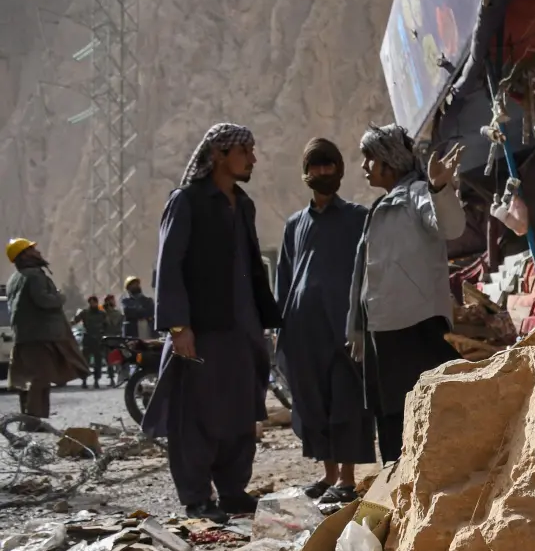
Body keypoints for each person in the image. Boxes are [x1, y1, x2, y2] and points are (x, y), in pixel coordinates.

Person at [144, 123, 282, 523]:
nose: (253, 159)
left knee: (240, 412)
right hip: (201, 329)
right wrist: (178, 327)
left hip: (243, 327)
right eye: (245, 152)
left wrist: (264, 320)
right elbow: (169, 266)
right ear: (220, 155)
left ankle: (233, 492)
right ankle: (197, 497)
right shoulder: (186, 201)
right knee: (197, 416)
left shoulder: (244, 204)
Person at [348, 124, 465, 464]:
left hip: (415, 328)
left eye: (369, 158)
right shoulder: (379, 208)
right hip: (381, 332)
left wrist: (440, 187)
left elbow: (451, 226)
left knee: (425, 417)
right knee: (390, 420)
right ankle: (396, 486)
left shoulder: (417, 195)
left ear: (389, 161)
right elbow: (364, 276)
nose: (364, 166)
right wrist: (357, 328)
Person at [276, 138, 375, 503]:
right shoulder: (295, 224)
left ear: (339, 169)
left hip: (345, 328)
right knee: (313, 402)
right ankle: (329, 475)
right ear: (306, 173)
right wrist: (280, 326)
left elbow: (369, 272)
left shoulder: (358, 218)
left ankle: (347, 479)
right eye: (315, 166)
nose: (322, 171)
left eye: (328, 165)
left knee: (346, 402)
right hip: (304, 330)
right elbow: (285, 278)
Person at [5, 238, 90, 420]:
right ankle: (33, 420)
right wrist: (60, 298)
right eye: (32, 250)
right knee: (41, 377)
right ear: (24, 255)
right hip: (40, 337)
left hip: (24, 336)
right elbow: (43, 300)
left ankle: (33, 418)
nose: (38, 252)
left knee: (29, 378)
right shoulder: (35, 276)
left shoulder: (14, 279)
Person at [72, 295, 107, 389]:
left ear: (97, 303)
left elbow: (106, 325)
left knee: (98, 362)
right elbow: (75, 321)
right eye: (91, 303)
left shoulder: (102, 314)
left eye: (94, 302)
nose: (93, 304)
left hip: (98, 340)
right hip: (88, 339)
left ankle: (96, 380)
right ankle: (84, 380)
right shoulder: (85, 313)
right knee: (85, 361)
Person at [101, 294, 124, 386]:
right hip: (108, 339)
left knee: (115, 360)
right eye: (112, 300)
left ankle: (117, 379)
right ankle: (113, 379)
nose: (114, 302)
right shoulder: (103, 313)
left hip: (114, 338)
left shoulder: (116, 313)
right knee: (110, 360)